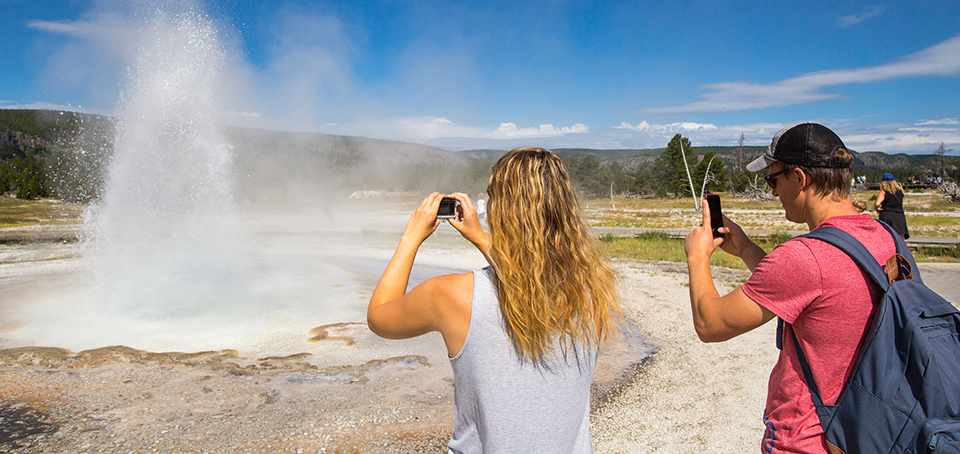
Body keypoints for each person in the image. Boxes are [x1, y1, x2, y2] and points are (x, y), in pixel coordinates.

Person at [367, 147, 620, 453]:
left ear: (500, 210)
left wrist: (410, 238)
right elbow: (530, 280)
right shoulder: (592, 291)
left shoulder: (453, 295)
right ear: (565, 208)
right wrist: (480, 238)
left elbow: (379, 317)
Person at [684, 123, 897, 453]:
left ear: (799, 178)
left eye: (773, 179)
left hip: (808, 440)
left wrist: (697, 257)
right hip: (869, 431)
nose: (771, 191)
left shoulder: (805, 257)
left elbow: (711, 324)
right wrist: (745, 249)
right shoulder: (887, 239)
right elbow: (813, 291)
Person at [874, 173, 910, 239]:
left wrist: (877, 208)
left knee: (887, 236)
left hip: (887, 215)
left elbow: (877, 203)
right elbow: (904, 195)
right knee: (899, 236)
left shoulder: (883, 192)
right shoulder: (899, 191)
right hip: (899, 215)